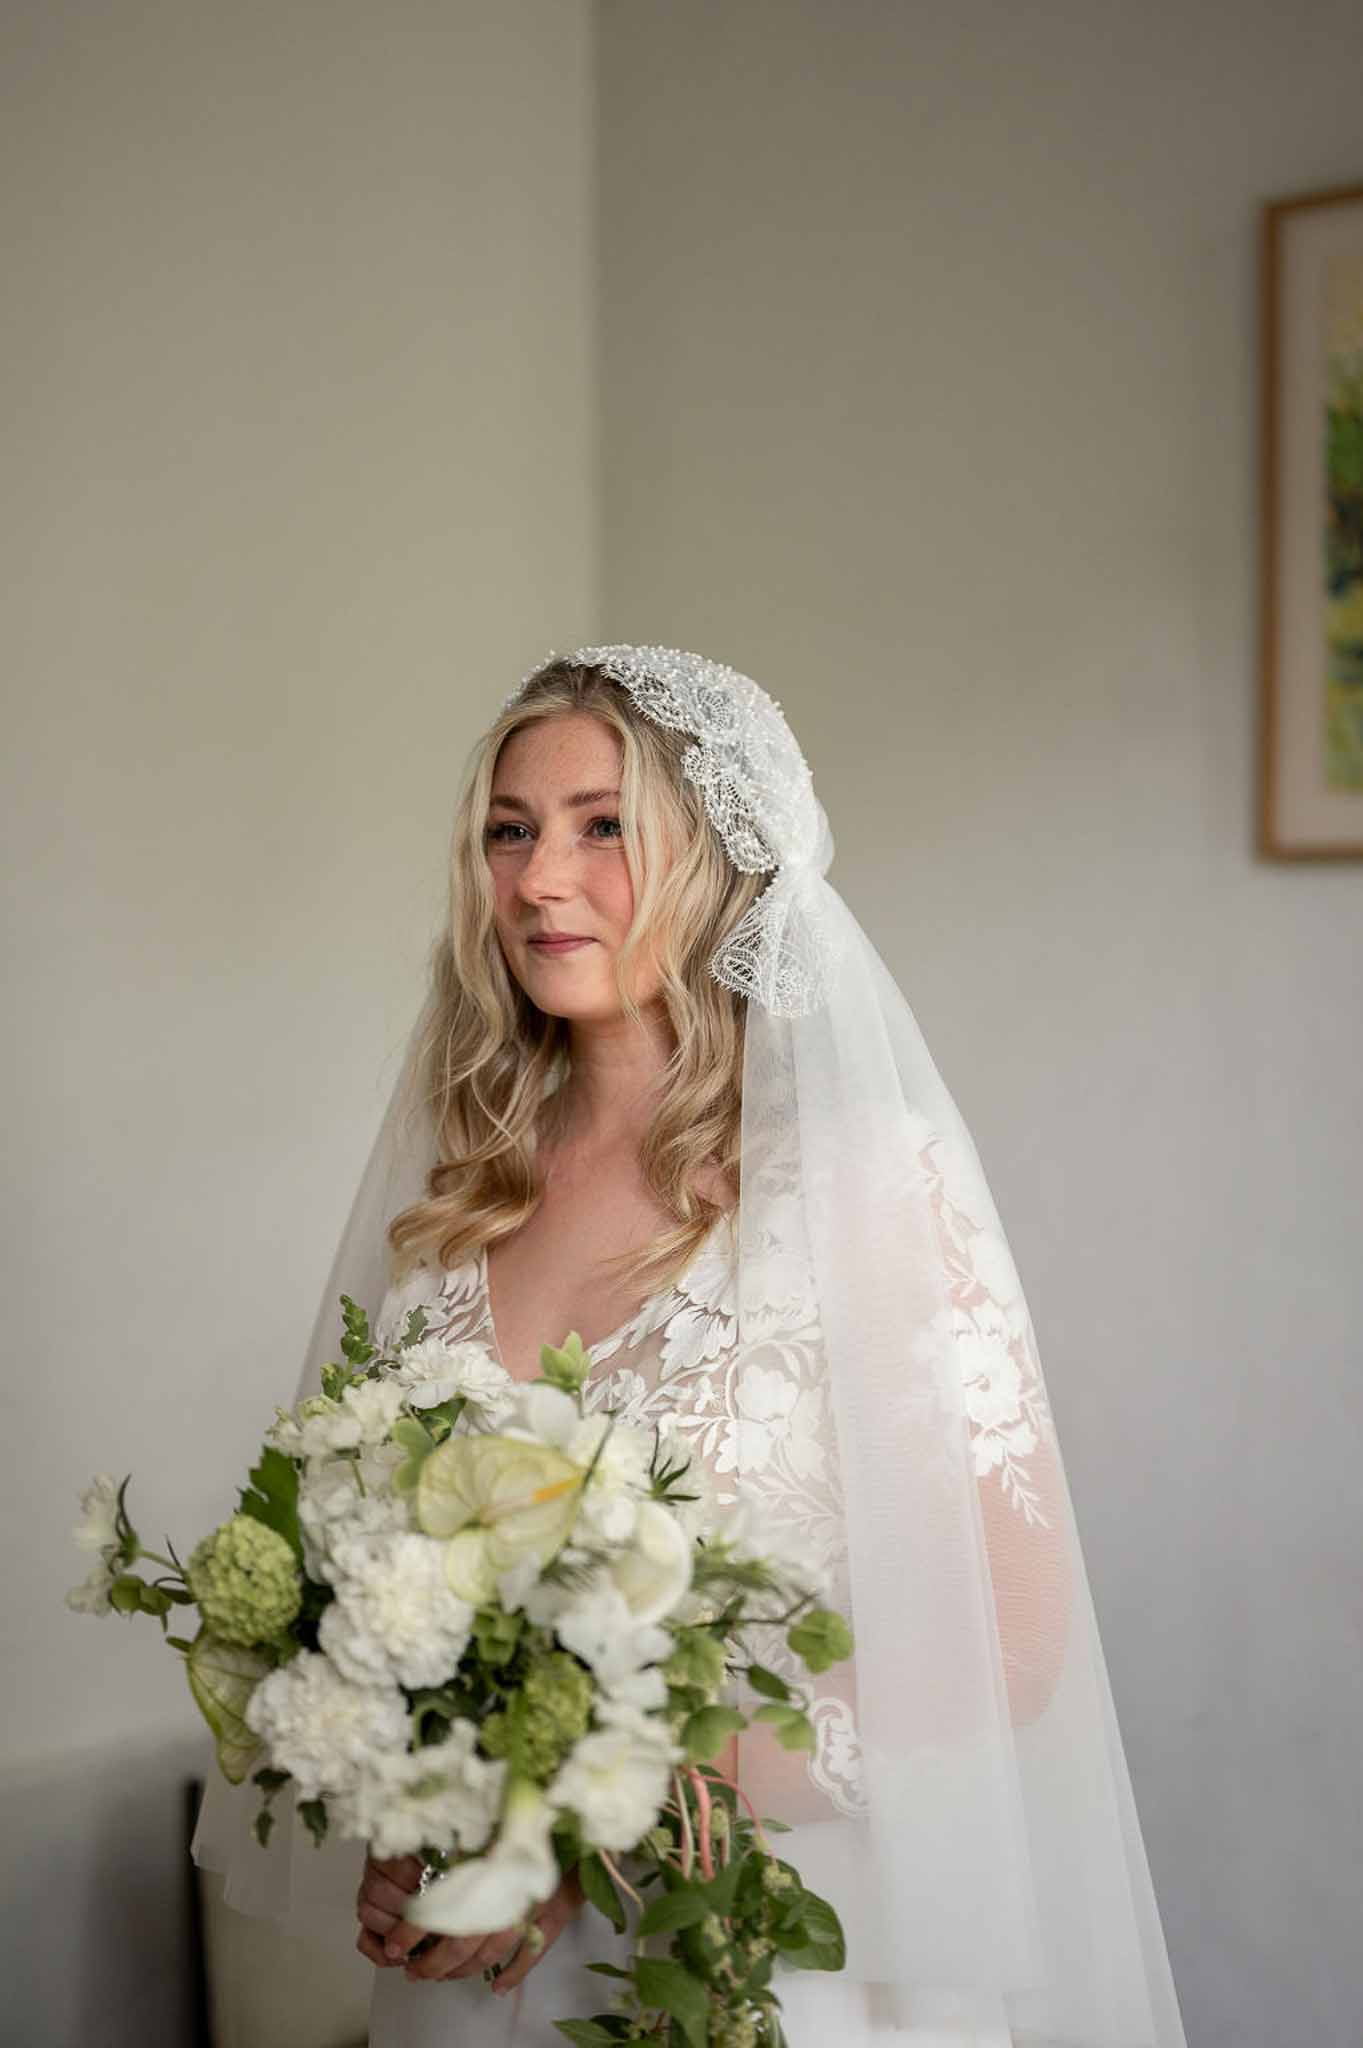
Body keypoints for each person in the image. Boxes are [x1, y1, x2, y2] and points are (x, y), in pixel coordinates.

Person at [193, 646, 1189, 2047]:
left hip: (766, 1965)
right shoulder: (460, 1192)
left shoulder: (852, 1181)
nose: (541, 879)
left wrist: (575, 1823)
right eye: (510, 831)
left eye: (603, 826)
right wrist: (422, 1814)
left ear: (720, 859)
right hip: (478, 1990)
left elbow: (1009, 1639)